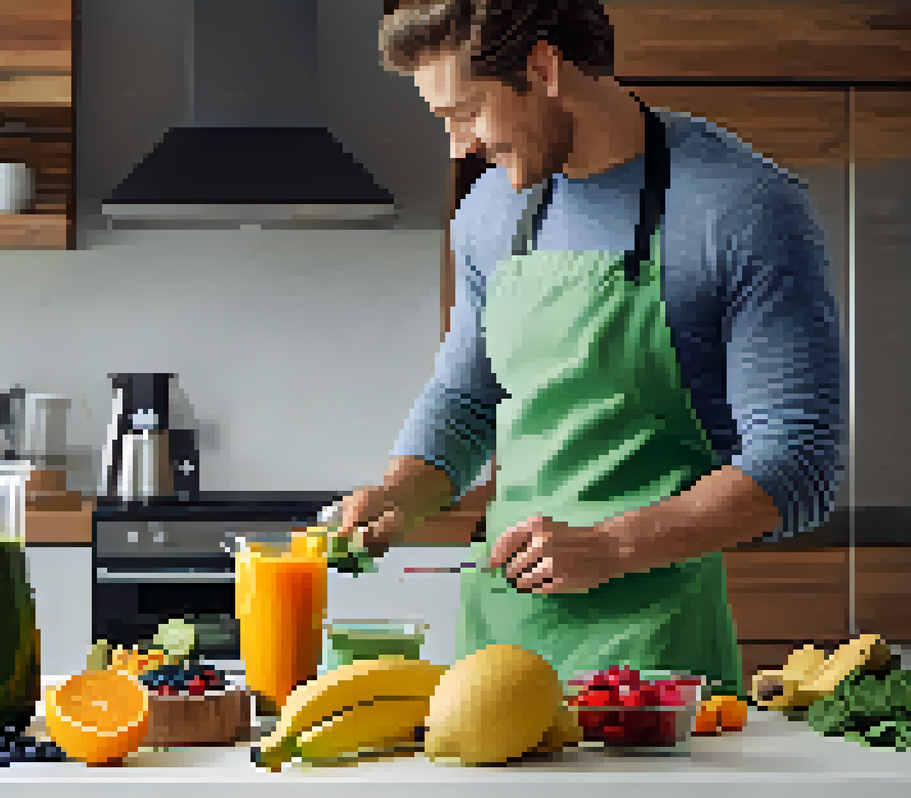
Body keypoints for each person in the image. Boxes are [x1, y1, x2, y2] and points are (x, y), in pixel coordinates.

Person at [334, 0, 844, 696]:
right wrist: (399, 494)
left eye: (466, 112)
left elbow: (799, 464)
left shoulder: (741, 208)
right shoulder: (489, 212)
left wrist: (610, 546)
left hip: (658, 669)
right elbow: (465, 399)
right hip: (499, 658)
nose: (459, 145)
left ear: (542, 67)